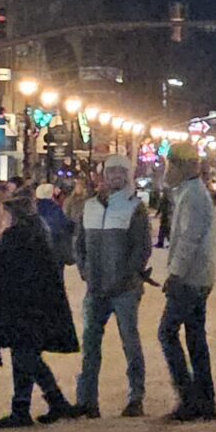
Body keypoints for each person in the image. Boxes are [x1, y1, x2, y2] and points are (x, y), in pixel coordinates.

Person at [0, 191, 81, 428]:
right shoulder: (34, 233)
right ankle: (35, 405)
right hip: (33, 308)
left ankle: (43, 404)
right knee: (26, 356)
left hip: (25, 310)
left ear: (13, 215)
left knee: (25, 356)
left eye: (4, 215)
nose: (2, 220)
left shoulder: (16, 238)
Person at [74, 157, 151, 418]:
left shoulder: (134, 207)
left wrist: (127, 275)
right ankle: (87, 400)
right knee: (90, 344)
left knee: (130, 341)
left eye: (121, 171)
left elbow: (141, 248)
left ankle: (136, 397)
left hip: (124, 289)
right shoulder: (90, 207)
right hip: (96, 287)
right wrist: (85, 270)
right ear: (103, 175)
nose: (115, 176)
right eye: (111, 171)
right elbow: (79, 243)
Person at [156, 152, 216, 422]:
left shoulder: (192, 196)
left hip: (190, 278)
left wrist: (176, 274)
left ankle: (189, 397)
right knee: (194, 338)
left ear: (180, 167)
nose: (166, 170)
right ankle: (204, 400)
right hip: (199, 276)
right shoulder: (191, 192)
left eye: (169, 165)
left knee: (167, 332)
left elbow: (189, 239)